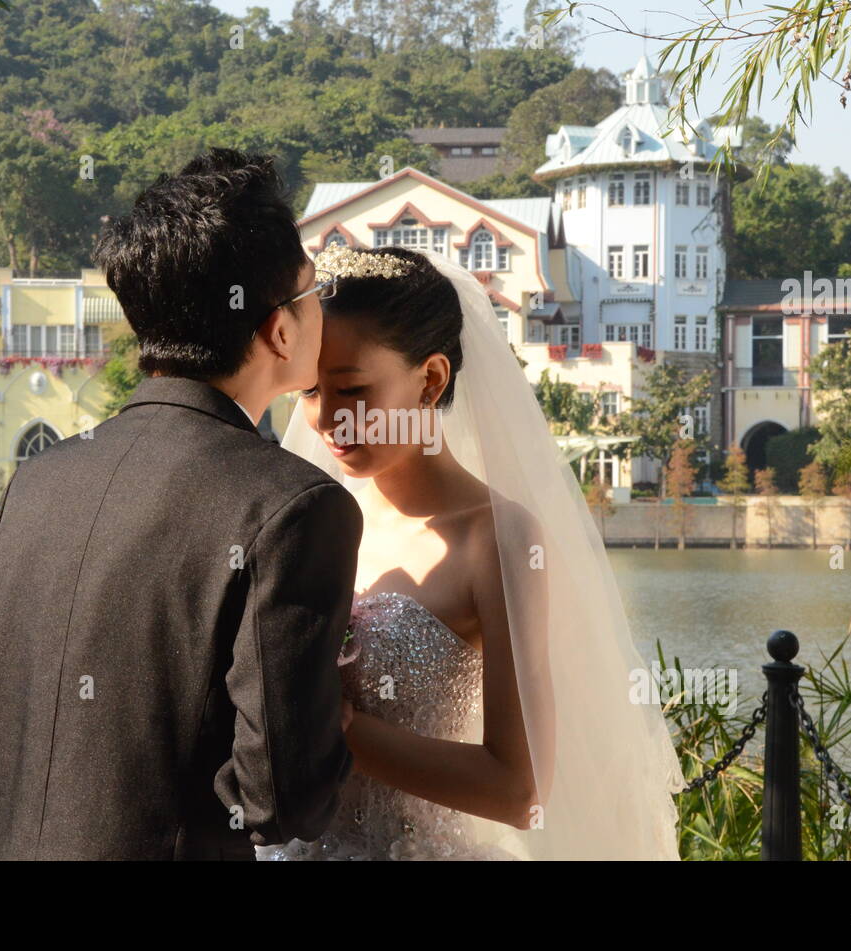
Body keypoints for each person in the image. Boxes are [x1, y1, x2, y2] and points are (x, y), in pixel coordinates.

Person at [0, 148, 362, 860]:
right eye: (314, 292)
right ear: (279, 328)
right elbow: (282, 796)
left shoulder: (38, 480)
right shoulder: (296, 506)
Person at [260, 245, 684, 860]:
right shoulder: (308, 514)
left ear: (430, 378)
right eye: (307, 391)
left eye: (351, 389)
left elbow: (519, 788)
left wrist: (339, 729)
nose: (327, 419)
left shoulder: (498, 538)